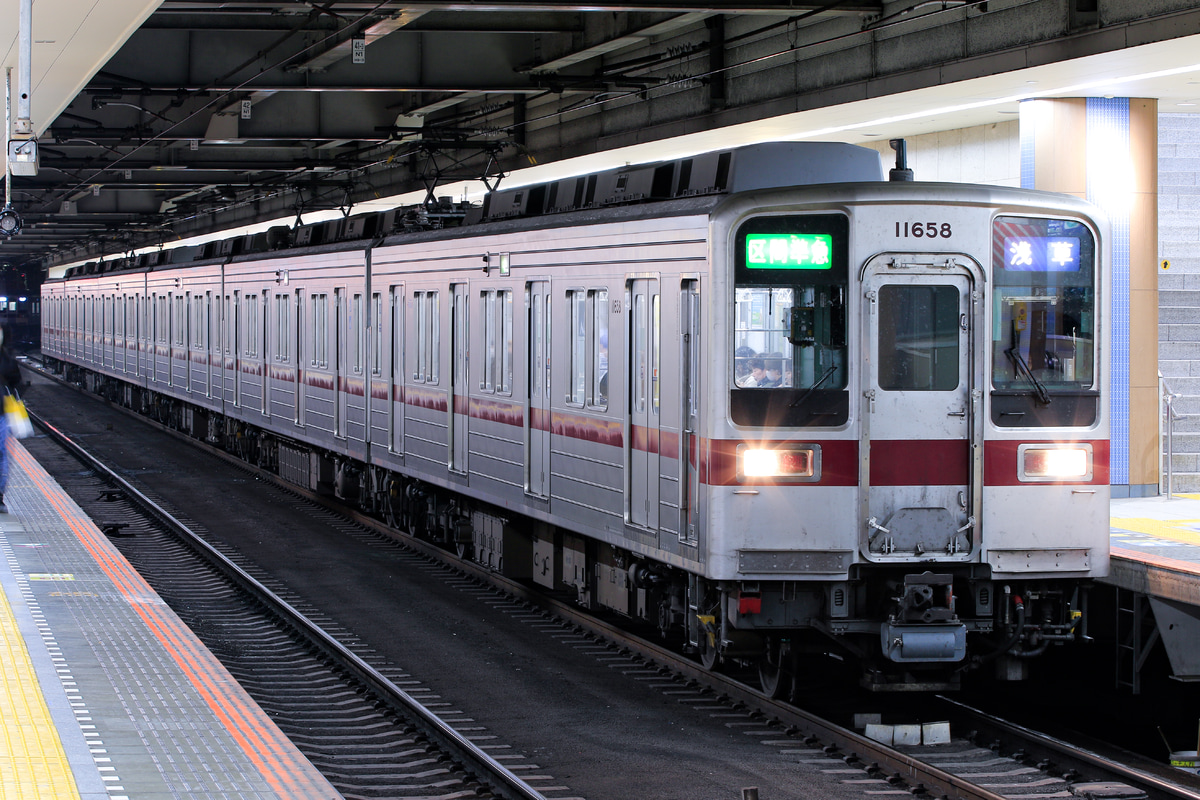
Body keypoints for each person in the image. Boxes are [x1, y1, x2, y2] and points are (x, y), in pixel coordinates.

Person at [0, 327, 22, 512]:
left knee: (1, 455)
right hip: (2, 414)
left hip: (1, 415)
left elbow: (17, 383)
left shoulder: (6, 359)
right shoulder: (6, 360)